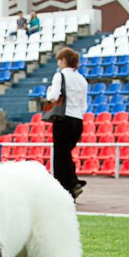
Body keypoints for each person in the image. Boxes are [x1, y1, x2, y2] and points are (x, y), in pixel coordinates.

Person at [46, 47, 88, 200]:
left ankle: (65, 189)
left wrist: (49, 92)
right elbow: (84, 106)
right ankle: (73, 182)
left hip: (64, 119)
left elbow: (54, 97)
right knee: (66, 155)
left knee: (60, 157)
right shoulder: (82, 79)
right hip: (78, 121)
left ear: (63, 60)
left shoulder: (60, 76)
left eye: (59, 60)